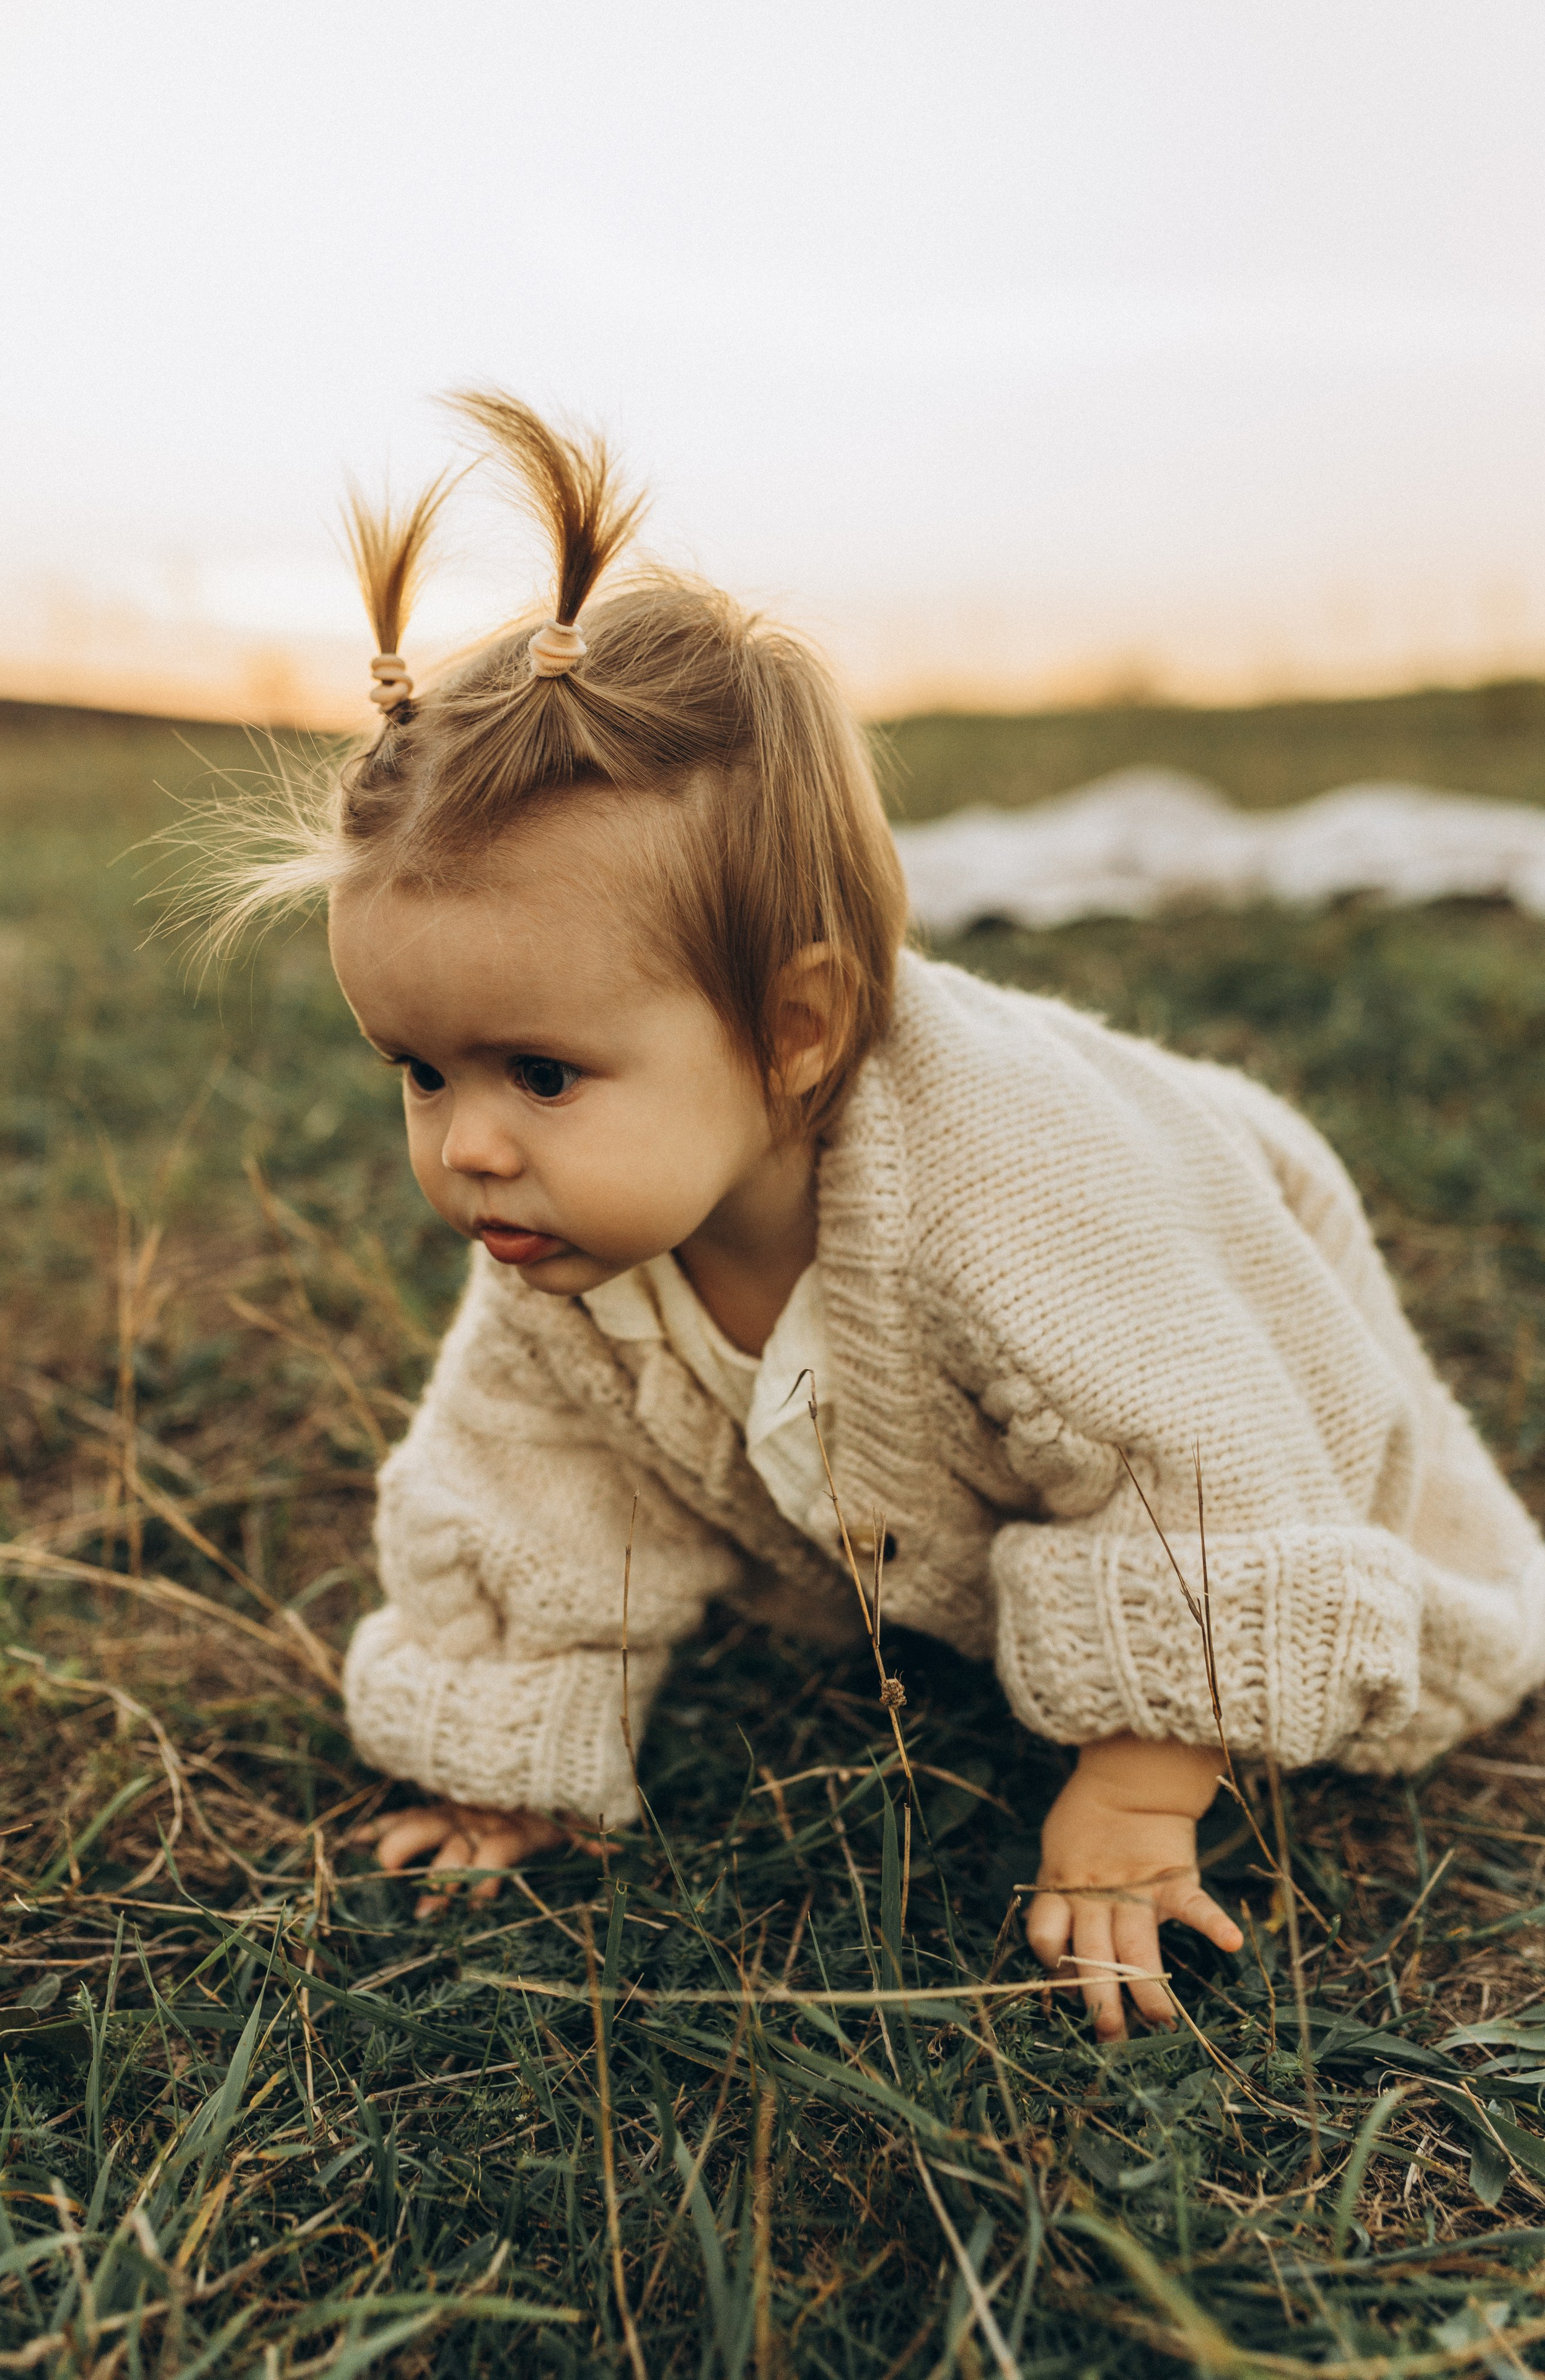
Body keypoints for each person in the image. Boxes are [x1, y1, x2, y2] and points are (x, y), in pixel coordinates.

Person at [201, 392, 1545, 2040]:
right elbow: (516, 1485)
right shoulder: (569, 1245)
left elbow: (1202, 1452)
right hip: (992, 1438)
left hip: (1233, 1309)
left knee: (1183, 1461)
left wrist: (1135, 1790)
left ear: (799, 1028)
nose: (467, 1146)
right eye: (417, 1071)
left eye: (539, 1074)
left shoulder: (1025, 1194)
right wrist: (503, 1757)